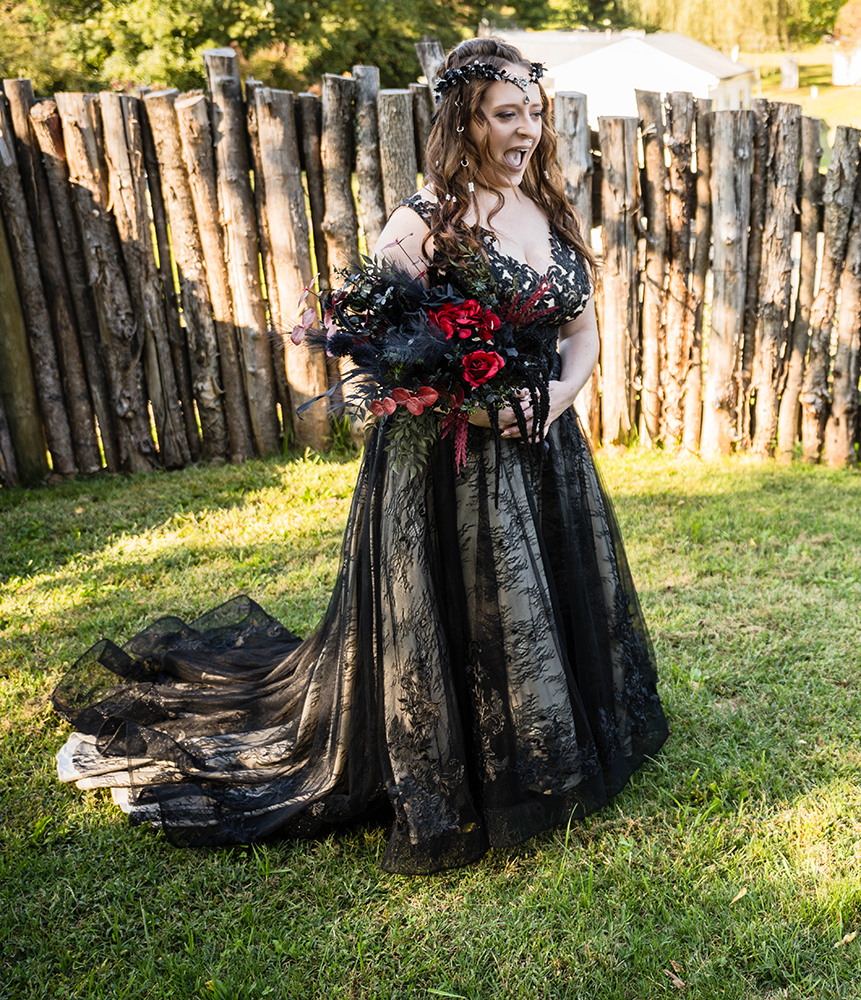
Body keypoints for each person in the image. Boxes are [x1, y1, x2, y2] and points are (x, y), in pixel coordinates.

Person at [52, 38, 669, 875]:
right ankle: (469, 770)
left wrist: (553, 402)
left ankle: (549, 751)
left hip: (545, 452)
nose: (525, 131)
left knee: (536, 610)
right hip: (447, 469)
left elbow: (584, 330)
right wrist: (489, 412)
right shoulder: (418, 228)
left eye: (534, 113)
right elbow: (395, 372)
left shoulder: (552, 210)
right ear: (464, 121)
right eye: (505, 115)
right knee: (465, 616)